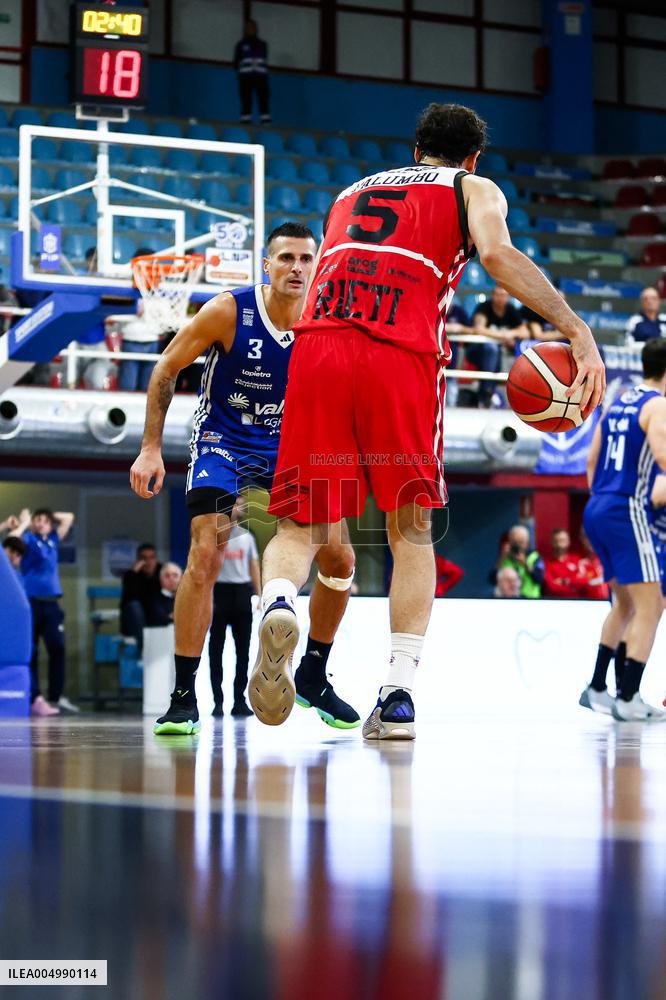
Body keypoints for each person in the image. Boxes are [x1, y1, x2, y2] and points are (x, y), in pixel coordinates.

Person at [254, 101, 604, 740]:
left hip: (320, 348)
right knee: (409, 531)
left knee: (300, 525)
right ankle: (396, 697)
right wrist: (574, 328)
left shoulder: (349, 192)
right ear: (473, 158)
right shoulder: (472, 186)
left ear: (416, 152)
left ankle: (278, 605)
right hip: (397, 355)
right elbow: (496, 255)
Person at [130, 222, 360, 735]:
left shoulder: (327, 320)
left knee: (342, 557)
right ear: (266, 264)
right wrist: (149, 448)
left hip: (293, 446)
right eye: (286, 258)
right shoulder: (228, 310)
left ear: (318, 265)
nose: (297, 268)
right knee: (205, 552)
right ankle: (185, 695)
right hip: (224, 441)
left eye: (306, 259)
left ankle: (314, 675)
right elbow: (166, 369)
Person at [579, 338, 666, 721]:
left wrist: (603, 497)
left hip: (598, 505)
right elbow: (663, 456)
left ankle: (598, 688)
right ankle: (629, 696)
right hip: (626, 507)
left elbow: (591, 458)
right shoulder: (658, 405)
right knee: (653, 604)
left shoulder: (619, 403)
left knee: (627, 604)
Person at [8, 507, 76, 716]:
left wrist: (48, 517)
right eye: (37, 520)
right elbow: (11, 540)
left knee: (57, 646)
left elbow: (69, 516)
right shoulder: (27, 539)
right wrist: (26, 523)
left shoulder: (53, 539)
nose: (40, 523)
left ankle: (56, 697)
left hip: (51, 603)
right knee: (32, 651)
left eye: (43, 521)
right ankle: (33, 697)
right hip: (30, 602)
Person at [208, 499, 260, 718]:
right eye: (233, 503)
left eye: (240, 504)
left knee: (243, 652)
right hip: (219, 592)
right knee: (215, 650)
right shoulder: (214, 535)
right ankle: (217, 701)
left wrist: (258, 593)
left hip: (241, 593)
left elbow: (253, 565)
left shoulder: (247, 537)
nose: (236, 508)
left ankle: (239, 700)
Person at [469, 285, 528, 407]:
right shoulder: (484, 307)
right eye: (497, 294)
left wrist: (509, 334)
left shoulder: (511, 310)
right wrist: (502, 336)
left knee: (497, 352)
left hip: (498, 353)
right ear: (493, 295)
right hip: (477, 349)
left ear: (507, 297)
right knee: (492, 349)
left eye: (503, 295)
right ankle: (486, 393)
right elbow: (479, 329)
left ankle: (488, 394)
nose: (500, 298)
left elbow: (524, 332)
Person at [120, 543, 162, 654]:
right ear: (138, 561)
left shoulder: (163, 573)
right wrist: (134, 574)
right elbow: (129, 598)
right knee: (134, 606)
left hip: (156, 619)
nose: (148, 562)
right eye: (144, 558)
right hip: (135, 622)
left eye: (152, 558)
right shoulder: (130, 575)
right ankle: (145, 649)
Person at [115, 302, 164, 393]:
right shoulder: (128, 292)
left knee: (148, 388)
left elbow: (167, 314)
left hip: (152, 340)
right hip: (131, 339)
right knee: (128, 386)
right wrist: (133, 310)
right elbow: (116, 311)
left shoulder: (159, 293)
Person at [234, 19, 270, 125]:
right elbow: (236, 62)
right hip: (245, 77)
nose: (250, 29)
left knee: (263, 97)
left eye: (252, 27)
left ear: (256, 29)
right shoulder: (240, 45)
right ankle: (245, 120)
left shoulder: (262, 44)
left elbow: (264, 59)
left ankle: (265, 120)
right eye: (248, 27)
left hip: (260, 77)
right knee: (246, 98)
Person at [495, 525, 544, 600]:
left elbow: (540, 580)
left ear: (527, 542)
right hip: (508, 600)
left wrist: (525, 564)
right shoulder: (505, 557)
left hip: (530, 600)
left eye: (520, 542)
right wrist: (502, 557)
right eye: (514, 542)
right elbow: (493, 579)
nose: (517, 546)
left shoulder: (534, 557)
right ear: (510, 542)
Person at [543, 528, 586, 599]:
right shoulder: (546, 563)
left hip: (577, 603)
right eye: (556, 541)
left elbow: (584, 581)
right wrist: (573, 588)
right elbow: (551, 587)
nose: (559, 544)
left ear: (568, 542)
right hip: (555, 603)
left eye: (562, 540)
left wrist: (565, 581)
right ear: (551, 542)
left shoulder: (576, 560)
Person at [145, 562, 182, 628]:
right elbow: (160, 620)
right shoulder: (153, 600)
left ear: (181, 578)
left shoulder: (188, 599)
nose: (171, 579)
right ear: (161, 580)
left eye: (175, 575)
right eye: (167, 576)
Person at [578, 528, 610, 600]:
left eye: (594, 536)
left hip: (612, 602)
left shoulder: (609, 561)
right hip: (590, 603)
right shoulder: (581, 563)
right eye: (586, 537)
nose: (590, 540)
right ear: (582, 539)